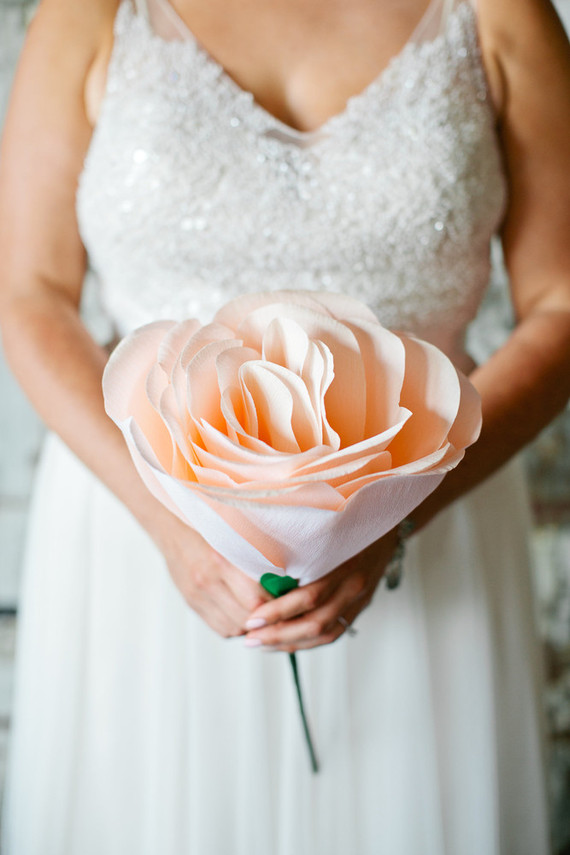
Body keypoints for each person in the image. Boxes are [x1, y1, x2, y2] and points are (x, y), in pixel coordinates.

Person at [0, 0, 569, 851]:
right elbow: (28, 294)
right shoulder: (89, 13)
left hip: (430, 530)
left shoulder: (499, 14)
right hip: (144, 539)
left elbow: (561, 303)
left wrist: (396, 516)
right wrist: (175, 526)